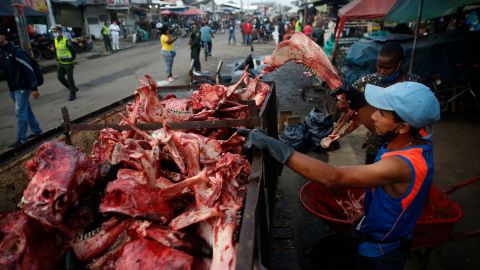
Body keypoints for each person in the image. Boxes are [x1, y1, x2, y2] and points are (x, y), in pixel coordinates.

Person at [242, 81, 440, 270]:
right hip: (371, 229)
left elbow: (333, 178)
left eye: (381, 113)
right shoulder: (414, 138)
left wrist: (277, 148)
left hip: (381, 254)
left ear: (403, 126)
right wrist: (358, 101)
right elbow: (377, 126)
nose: (373, 117)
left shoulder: (401, 166)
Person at [352, 42, 426, 164]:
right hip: (376, 144)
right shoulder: (370, 81)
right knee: (372, 176)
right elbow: (350, 95)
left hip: (404, 143)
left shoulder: (415, 84)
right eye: (379, 66)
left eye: (387, 68)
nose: (382, 71)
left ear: (400, 64)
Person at [0, 26, 43, 148]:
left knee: (20, 112)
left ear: (2, 37)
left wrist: (34, 87)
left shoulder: (16, 51)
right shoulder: (3, 52)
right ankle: (37, 131)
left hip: (22, 87)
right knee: (26, 110)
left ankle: (21, 139)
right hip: (13, 87)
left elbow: (28, 68)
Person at [51, 25, 78, 101]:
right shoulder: (55, 40)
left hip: (68, 62)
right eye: (53, 32)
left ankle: (73, 94)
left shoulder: (66, 40)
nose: (55, 33)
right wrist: (57, 56)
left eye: (55, 32)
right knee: (60, 77)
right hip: (61, 62)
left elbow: (73, 51)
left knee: (70, 79)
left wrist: (71, 59)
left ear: (60, 32)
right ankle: (73, 88)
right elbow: (57, 49)